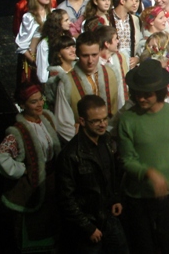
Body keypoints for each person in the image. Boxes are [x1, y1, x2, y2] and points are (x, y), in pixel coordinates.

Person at [117, 59, 169, 254]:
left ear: (159, 91)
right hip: (138, 196)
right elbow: (127, 159)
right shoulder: (127, 119)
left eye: (147, 94)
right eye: (138, 93)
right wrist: (150, 173)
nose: (141, 98)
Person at [0, 84, 61, 252]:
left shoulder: (47, 118)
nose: (39, 104)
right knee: (35, 231)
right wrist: (23, 170)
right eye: (33, 102)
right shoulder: (18, 131)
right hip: (34, 188)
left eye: (40, 99)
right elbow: (0, 158)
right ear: (23, 105)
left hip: (52, 184)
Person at [57, 95, 128, 254]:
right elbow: (66, 198)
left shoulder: (106, 141)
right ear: (82, 121)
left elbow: (111, 175)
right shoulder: (71, 154)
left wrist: (115, 199)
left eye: (105, 119)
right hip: (87, 224)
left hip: (109, 217)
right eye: (96, 121)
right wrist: (87, 227)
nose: (103, 124)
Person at [54, 31, 122, 141]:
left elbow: (119, 107)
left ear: (100, 51)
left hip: (111, 138)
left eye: (94, 55)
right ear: (77, 54)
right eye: (85, 56)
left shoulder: (112, 74)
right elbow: (63, 123)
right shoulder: (66, 82)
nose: (90, 61)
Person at [16, 0, 52, 86]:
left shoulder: (52, 13)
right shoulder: (29, 17)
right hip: (35, 58)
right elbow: (22, 45)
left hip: (50, 58)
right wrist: (34, 61)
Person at [35, 9, 72, 84]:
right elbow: (42, 71)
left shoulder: (69, 38)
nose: (70, 23)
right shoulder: (45, 43)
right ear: (57, 23)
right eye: (66, 20)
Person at [109, 0, 143, 68]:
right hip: (112, 65)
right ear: (122, 1)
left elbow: (141, 42)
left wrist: (138, 58)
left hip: (131, 67)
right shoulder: (107, 19)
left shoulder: (135, 20)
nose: (134, 3)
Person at [45, 35, 78, 104]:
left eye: (73, 46)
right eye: (67, 48)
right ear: (58, 54)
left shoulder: (79, 69)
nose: (73, 50)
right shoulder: (56, 77)